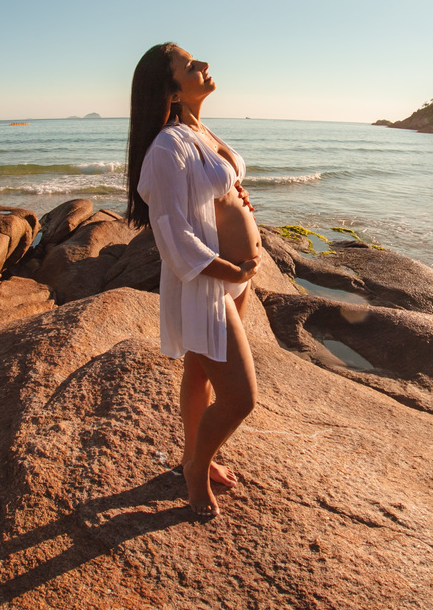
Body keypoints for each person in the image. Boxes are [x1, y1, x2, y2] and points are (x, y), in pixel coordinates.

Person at [126, 42, 261, 517]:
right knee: (242, 397)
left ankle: (193, 454)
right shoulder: (166, 147)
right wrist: (231, 268)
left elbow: (215, 193)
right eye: (189, 66)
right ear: (170, 88)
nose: (203, 64)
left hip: (232, 280)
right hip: (207, 281)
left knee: (200, 371)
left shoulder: (198, 131)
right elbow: (171, 232)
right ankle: (195, 471)